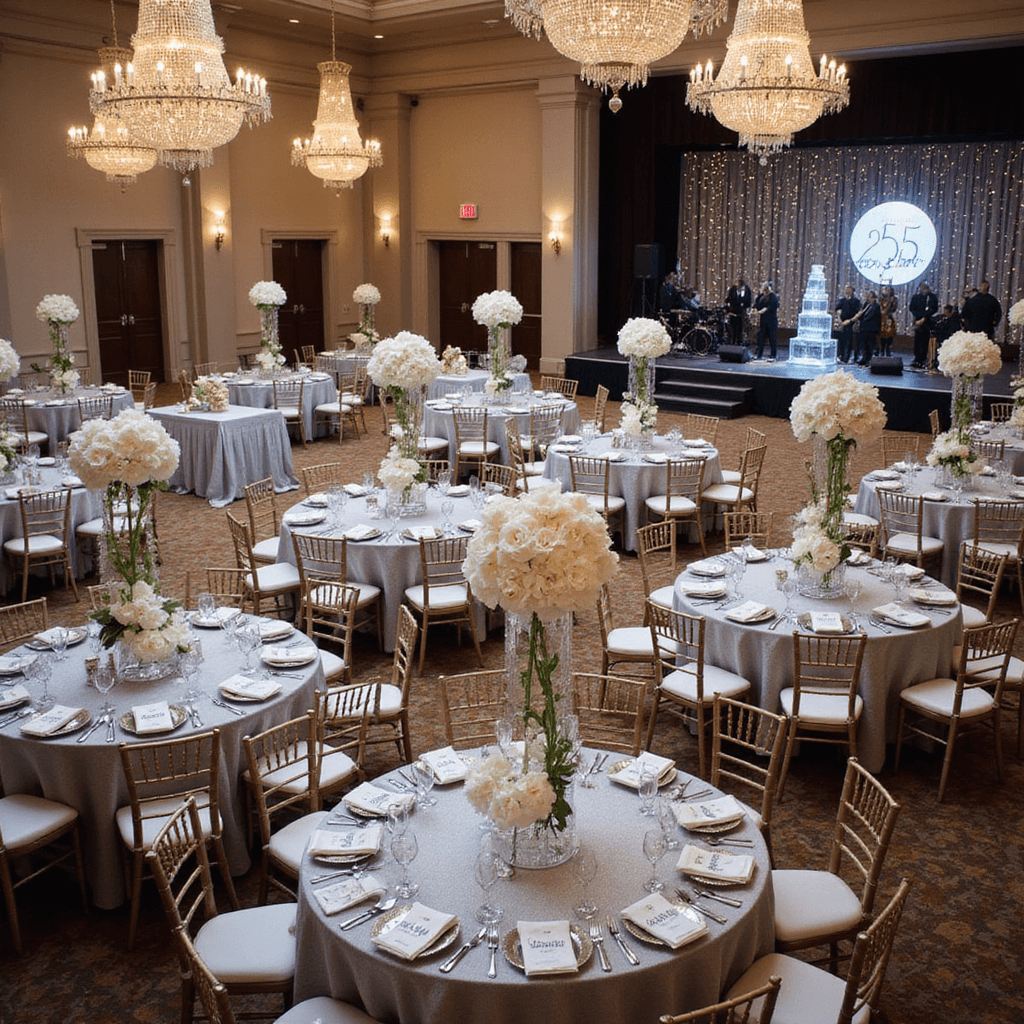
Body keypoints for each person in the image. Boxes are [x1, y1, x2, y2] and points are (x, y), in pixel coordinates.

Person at [908, 281, 938, 369]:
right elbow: (912, 308)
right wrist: (917, 317)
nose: (924, 290)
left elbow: (934, 309)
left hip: (927, 321)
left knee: (925, 340)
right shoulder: (916, 297)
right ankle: (917, 358)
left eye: (926, 288)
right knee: (917, 340)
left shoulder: (932, 297)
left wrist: (924, 317)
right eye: (922, 288)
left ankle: (923, 358)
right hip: (917, 320)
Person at [752, 281, 779, 362]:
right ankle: (759, 355)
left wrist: (760, 312)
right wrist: (754, 309)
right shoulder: (761, 296)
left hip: (771, 320)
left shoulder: (773, 296)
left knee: (772, 338)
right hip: (763, 320)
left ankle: (773, 355)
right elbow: (756, 304)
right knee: (761, 337)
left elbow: (769, 307)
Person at [834, 285, 860, 364]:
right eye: (846, 289)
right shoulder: (842, 300)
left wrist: (850, 321)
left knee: (849, 342)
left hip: (850, 323)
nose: (847, 291)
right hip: (841, 323)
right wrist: (840, 320)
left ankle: (846, 358)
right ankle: (840, 356)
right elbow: (837, 309)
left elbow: (858, 313)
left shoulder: (856, 301)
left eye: (849, 289)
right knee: (841, 341)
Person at [853, 290, 880, 365]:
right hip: (864, 328)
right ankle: (863, 358)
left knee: (870, 345)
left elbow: (872, 317)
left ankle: (869, 359)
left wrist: (863, 320)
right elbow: (862, 314)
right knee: (863, 344)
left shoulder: (876, 306)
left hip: (871, 329)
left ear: (874, 298)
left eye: (870, 297)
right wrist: (859, 317)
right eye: (868, 297)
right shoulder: (866, 304)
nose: (869, 299)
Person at [725, 277, 752, 345]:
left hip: (742, 312)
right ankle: (732, 342)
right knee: (732, 328)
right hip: (733, 311)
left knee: (740, 328)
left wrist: (744, 306)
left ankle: (739, 342)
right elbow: (729, 299)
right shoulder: (733, 289)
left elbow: (749, 300)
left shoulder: (747, 289)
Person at [932, 303, 958, 368]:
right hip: (942, 336)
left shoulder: (954, 320)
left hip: (948, 337)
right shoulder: (942, 318)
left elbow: (952, 330)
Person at [878, 285, 898, 356]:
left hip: (889, 318)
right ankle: (882, 350)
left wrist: (892, 303)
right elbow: (881, 309)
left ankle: (888, 349)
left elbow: (894, 309)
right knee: (882, 334)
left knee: (890, 334)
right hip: (882, 318)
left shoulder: (894, 299)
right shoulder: (881, 299)